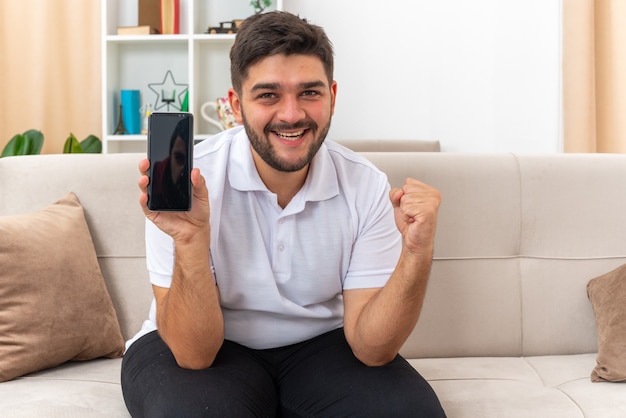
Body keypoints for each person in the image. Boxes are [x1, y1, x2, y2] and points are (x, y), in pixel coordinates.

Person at [122, 11, 446, 418]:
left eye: (309, 92)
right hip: (198, 343)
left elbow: (372, 349)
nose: (291, 114)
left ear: (332, 95)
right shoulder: (187, 181)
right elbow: (194, 354)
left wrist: (416, 254)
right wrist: (190, 240)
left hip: (320, 347)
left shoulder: (365, 185)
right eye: (268, 95)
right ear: (235, 106)